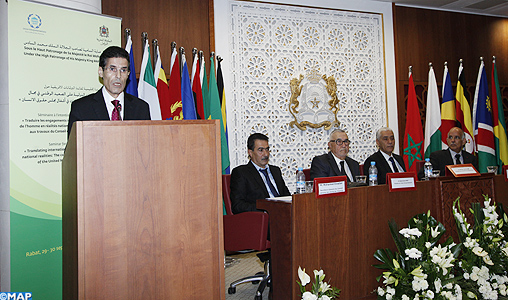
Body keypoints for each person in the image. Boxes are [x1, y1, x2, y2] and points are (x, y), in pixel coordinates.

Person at [67, 46, 151, 137]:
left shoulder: (141, 108)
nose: (118, 76)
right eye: (112, 69)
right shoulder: (81, 108)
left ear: (128, 74)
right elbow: (76, 148)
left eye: (123, 70)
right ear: (101, 72)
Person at [230, 133, 290, 214]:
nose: (266, 154)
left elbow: (286, 196)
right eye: (261, 150)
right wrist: (266, 208)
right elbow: (238, 205)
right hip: (263, 218)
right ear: (250, 152)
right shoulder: (241, 173)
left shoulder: (275, 171)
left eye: (267, 149)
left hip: (284, 214)